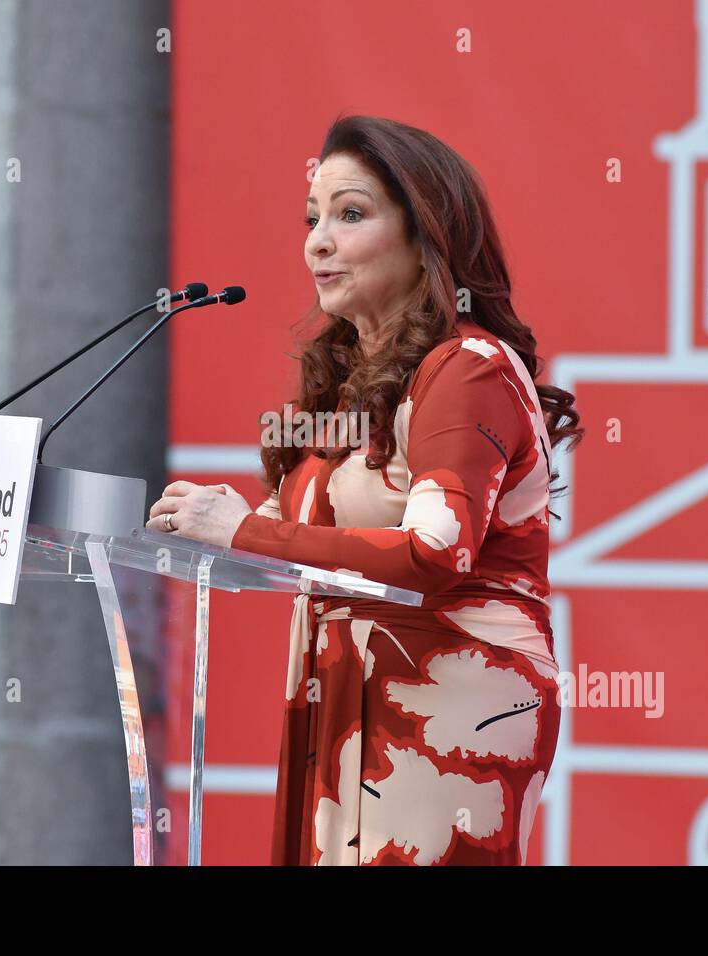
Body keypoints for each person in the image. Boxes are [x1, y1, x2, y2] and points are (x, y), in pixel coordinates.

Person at [148, 115, 582, 865]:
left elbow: (435, 549)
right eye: (313, 218)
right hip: (340, 694)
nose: (318, 241)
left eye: (350, 215)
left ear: (427, 236)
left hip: (448, 704)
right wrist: (203, 525)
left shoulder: (468, 366)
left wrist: (244, 531)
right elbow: (306, 543)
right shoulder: (353, 386)